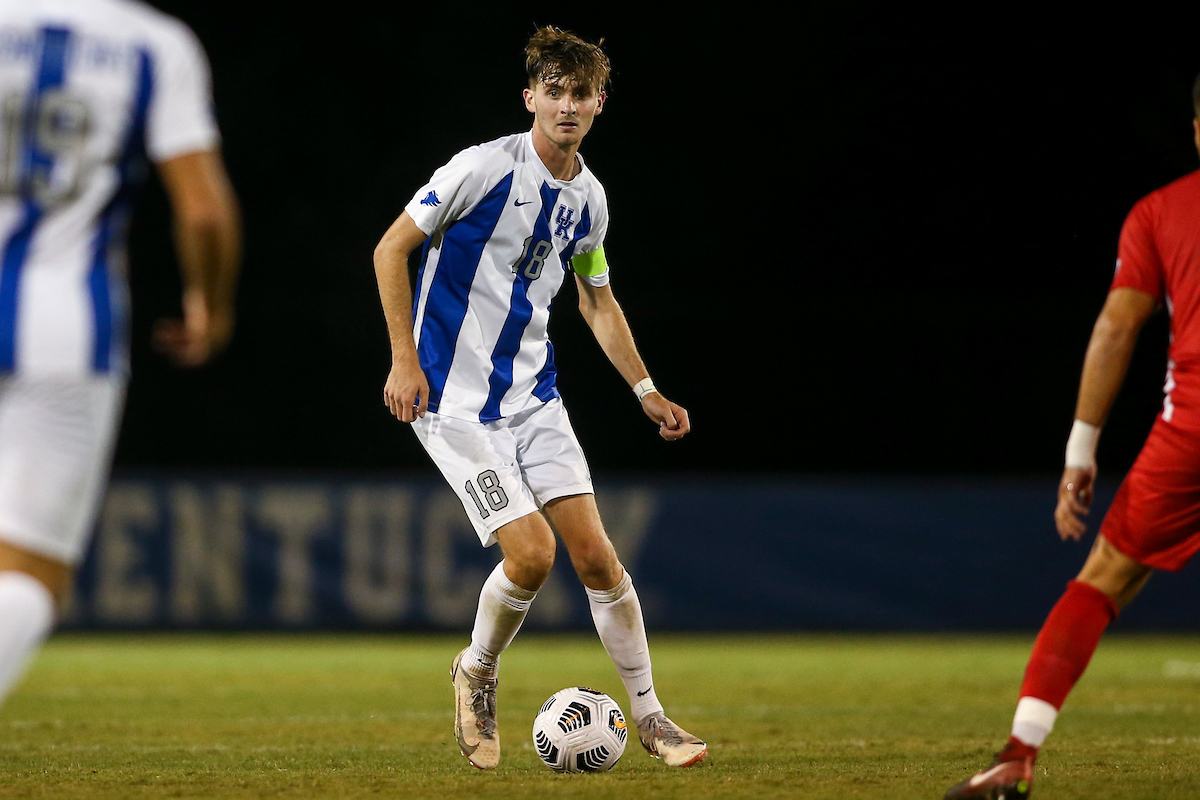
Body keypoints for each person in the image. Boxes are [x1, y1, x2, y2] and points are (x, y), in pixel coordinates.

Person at [373, 26, 706, 770]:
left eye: (579, 94)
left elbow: (597, 300)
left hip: (534, 400)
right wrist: (403, 358)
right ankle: (477, 671)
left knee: (597, 559)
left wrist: (645, 389)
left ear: (599, 105)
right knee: (531, 557)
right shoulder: (482, 168)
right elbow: (390, 248)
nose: (565, 105)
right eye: (552, 92)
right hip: (453, 406)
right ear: (530, 98)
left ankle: (651, 719)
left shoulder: (589, 201)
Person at [945, 74, 1200, 800]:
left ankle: (1018, 754)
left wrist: (1080, 453)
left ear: (1196, 131)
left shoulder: (1160, 211)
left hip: (1193, 431)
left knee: (1102, 581)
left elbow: (1118, 326)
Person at [0, 0, 240, 707]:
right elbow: (202, 209)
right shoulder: (151, 44)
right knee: (28, 573)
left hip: (56, 339)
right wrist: (211, 303)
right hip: (66, 337)